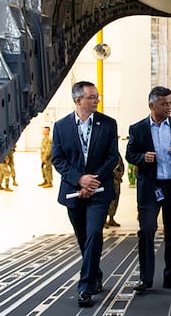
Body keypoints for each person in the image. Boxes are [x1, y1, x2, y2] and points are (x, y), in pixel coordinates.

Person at [51, 81, 119, 308]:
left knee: (93, 235)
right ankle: (95, 273)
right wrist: (79, 179)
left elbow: (112, 157)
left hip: (99, 191)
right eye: (92, 97)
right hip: (73, 192)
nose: (96, 100)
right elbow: (58, 159)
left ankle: (85, 287)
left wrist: (92, 181)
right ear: (78, 100)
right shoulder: (61, 127)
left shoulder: (108, 124)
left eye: (97, 96)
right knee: (83, 238)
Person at [126, 86, 171, 294]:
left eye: (170, 103)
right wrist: (142, 158)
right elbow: (130, 154)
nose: (169, 107)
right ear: (151, 105)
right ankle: (145, 279)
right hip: (150, 188)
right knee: (147, 231)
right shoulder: (137, 128)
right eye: (164, 104)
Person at [104, 158, 125, 228]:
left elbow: (121, 164)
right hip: (109, 179)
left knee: (115, 199)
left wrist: (121, 173)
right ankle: (104, 220)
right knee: (107, 200)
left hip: (117, 180)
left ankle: (111, 218)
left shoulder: (116, 153)